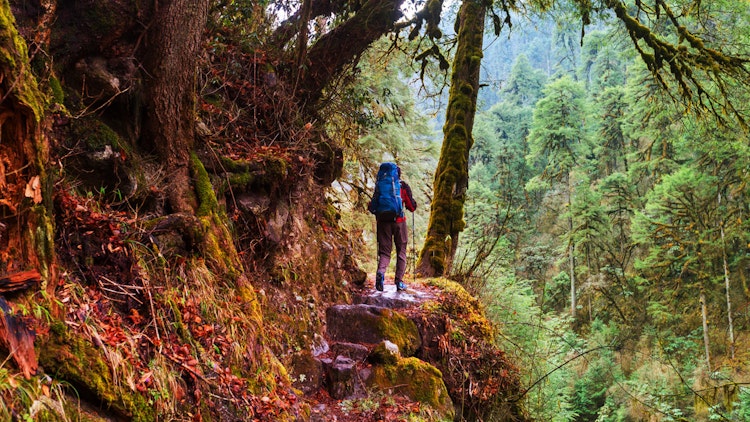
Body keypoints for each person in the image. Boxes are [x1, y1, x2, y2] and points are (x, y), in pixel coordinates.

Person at [368, 164, 417, 292]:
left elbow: (372, 207)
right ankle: (399, 282)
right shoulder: (403, 186)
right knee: (401, 251)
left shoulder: (380, 186)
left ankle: (381, 273)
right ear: (397, 174)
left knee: (385, 252)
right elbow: (412, 207)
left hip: (383, 222)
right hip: (399, 222)